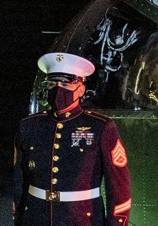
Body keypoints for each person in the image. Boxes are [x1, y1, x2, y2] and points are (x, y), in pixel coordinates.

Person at [13, 52, 132, 225]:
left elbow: (119, 186)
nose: (58, 89)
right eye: (52, 83)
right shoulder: (29, 126)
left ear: (81, 89)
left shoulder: (101, 127)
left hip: (81, 219)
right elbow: (19, 178)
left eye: (65, 84)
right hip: (36, 217)